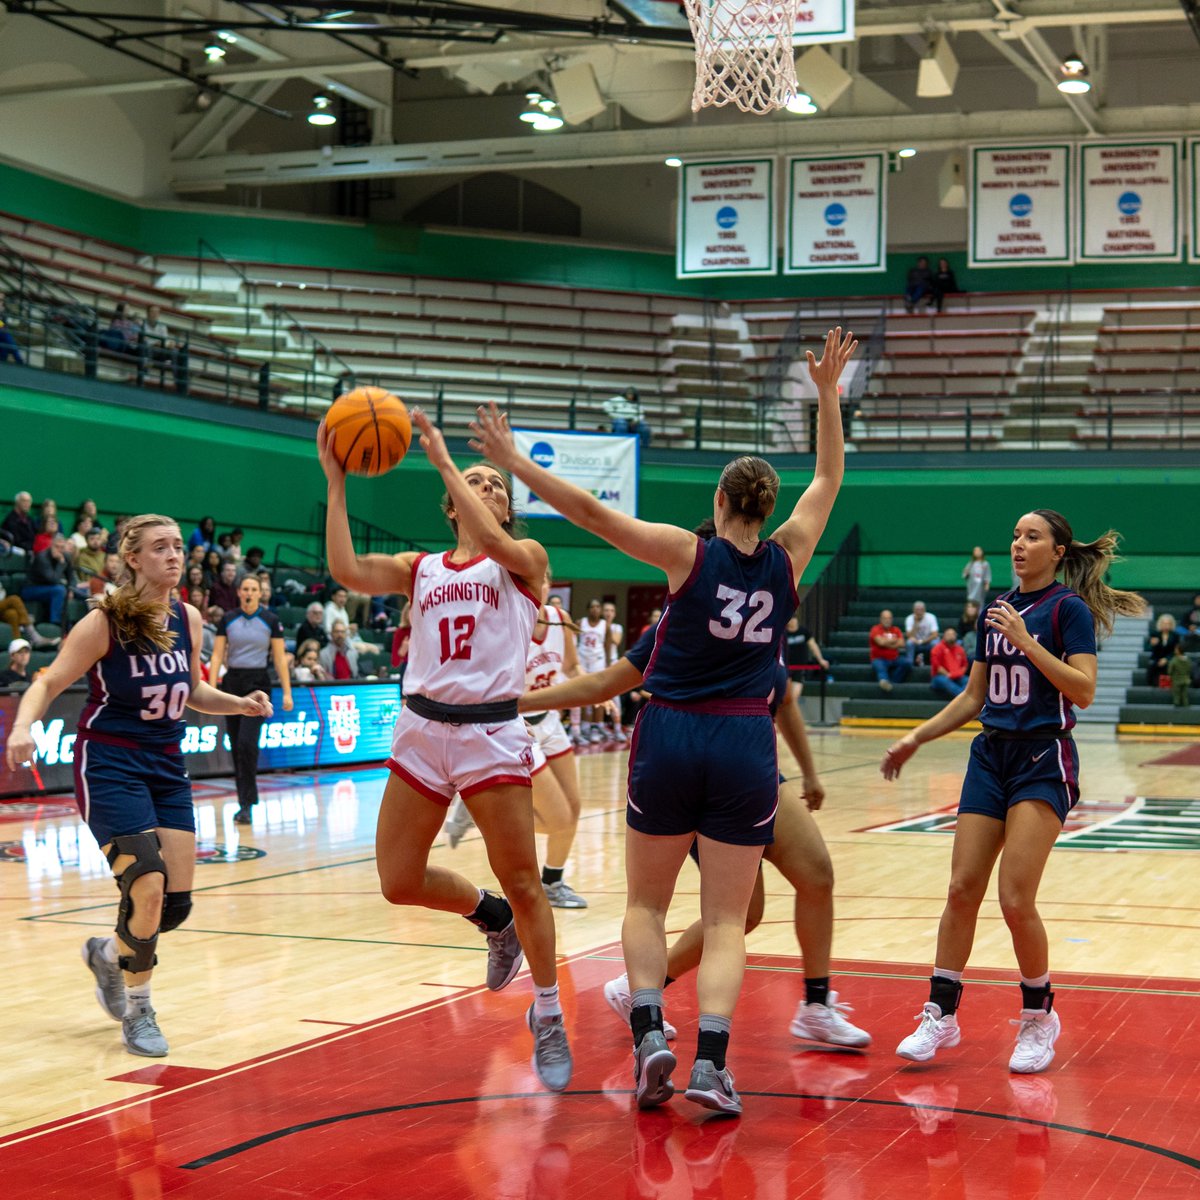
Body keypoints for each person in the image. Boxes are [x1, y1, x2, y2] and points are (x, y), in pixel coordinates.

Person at [472, 326, 858, 1116]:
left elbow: (588, 514)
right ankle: (712, 1064)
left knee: (645, 905)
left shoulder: (688, 553)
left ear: (718, 503)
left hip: (673, 734)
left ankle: (651, 1034)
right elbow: (829, 476)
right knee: (726, 920)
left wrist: (516, 464)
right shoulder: (788, 557)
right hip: (746, 741)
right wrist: (825, 394)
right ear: (769, 508)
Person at [318, 408, 573, 1094]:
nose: (486, 487)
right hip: (425, 731)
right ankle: (490, 921)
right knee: (399, 880)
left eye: (495, 483)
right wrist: (336, 482)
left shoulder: (525, 564)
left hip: (492, 732)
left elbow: (490, 534)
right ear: (451, 508)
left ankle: (548, 1013)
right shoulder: (421, 567)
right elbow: (345, 568)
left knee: (526, 881)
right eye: (476, 481)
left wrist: (444, 461)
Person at [521, 572, 872, 1056]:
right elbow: (605, 681)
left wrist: (810, 771)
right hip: (692, 770)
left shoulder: (759, 612)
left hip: (753, 765)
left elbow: (783, 698)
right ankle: (639, 987)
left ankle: (815, 1007)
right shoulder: (678, 622)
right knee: (742, 914)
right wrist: (518, 702)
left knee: (817, 873)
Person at [881, 509, 1145, 1074]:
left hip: (1042, 758)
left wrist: (1027, 642)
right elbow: (974, 696)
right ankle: (940, 1013)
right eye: (1016, 536)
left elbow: (1085, 690)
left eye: (1032, 537)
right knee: (960, 889)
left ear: (1057, 551)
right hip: (991, 755)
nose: (1019, 545)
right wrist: (915, 739)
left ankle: (1038, 1017)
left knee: (1015, 898)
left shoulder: (1066, 611)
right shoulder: (995, 611)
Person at [3, 514, 272, 1057]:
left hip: (166, 764)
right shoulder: (103, 622)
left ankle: (108, 953)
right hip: (109, 762)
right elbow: (49, 681)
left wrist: (238, 703)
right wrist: (22, 725)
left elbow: (192, 687)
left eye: (177, 546)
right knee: (145, 884)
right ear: (132, 558)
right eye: (159, 548)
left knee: (173, 906)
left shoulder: (189, 616)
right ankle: (139, 1009)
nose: (174, 555)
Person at [207, 574, 293, 825]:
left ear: (260, 593)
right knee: (236, 745)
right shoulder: (228, 619)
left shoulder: (270, 620)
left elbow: (279, 658)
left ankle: (248, 801)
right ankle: (243, 802)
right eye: (245, 588)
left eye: (253, 589)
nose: (249, 592)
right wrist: (212, 688)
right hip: (233, 682)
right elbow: (216, 656)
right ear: (239, 592)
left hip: (259, 684)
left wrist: (286, 691)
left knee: (247, 742)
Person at [572, 598, 611, 745]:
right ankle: (583, 725)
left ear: (600, 610)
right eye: (592, 607)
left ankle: (596, 726)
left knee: (598, 693)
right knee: (582, 692)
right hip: (582, 659)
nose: (595, 609)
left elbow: (608, 646)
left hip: (598, 660)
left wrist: (607, 664)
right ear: (588, 609)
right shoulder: (580, 622)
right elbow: (571, 640)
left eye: (597, 607)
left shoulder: (604, 625)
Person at [23, 533, 73, 627]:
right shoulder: (42, 557)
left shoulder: (66, 556)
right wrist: (61, 564)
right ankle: (56, 624)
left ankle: (70, 625)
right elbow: (52, 579)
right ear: (51, 545)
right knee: (59, 590)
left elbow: (71, 577)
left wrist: (71, 589)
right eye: (56, 547)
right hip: (31, 589)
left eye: (62, 547)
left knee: (77, 592)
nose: (59, 550)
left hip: (50, 588)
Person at [785, 615, 829, 695]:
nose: (792, 621)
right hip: (786, 667)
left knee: (794, 695)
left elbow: (813, 646)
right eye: (790, 619)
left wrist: (820, 659)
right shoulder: (783, 633)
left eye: (794, 618)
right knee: (786, 697)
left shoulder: (804, 632)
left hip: (800, 667)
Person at [869, 609, 910, 691]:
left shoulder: (896, 630)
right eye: (885, 618)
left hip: (894, 658)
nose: (887, 620)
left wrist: (886, 642)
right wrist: (894, 641)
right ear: (881, 619)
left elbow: (902, 644)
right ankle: (884, 681)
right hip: (879, 658)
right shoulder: (875, 629)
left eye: (889, 618)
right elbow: (880, 642)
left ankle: (893, 683)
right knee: (880, 667)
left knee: (907, 663)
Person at [929, 627, 969, 698]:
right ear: (943, 636)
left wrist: (957, 674)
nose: (950, 636)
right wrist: (948, 674)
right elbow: (937, 667)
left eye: (952, 634)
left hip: (957, 676)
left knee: (969, 681)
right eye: (948, 634)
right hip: (940, 676)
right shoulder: (937, 648)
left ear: (956, 636)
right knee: (945, 681)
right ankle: (964, 699)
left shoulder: (960, 649)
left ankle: (964, 698)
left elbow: (964, 665)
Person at [1146, 614, 1181, 688]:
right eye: (1164, 623)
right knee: (1152, 665)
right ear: (1160, 624)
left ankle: (1170, 684)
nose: (1166, 626)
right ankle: (1152, 684)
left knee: (1170, 664)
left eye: (1168, 624)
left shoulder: (1175, 636)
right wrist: (1152, 644)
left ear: (1171, 625)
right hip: (1157, 658)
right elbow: (1148, 649)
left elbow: (1176, 651)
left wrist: (1166, 659)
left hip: (1170, 658)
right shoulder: (1154, 634)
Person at [905, 601, 940, 668]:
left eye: (921, 610)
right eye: (917, 610)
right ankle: (909, 665)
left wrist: (922, 641)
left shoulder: (931, 617)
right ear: (913, 610)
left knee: (935, 643)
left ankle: (935, 665)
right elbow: (909, 636)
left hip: (928, 642)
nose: (919, 612)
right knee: (909, 643)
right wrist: (915, 623)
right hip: (916, 643)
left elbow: (935, 634)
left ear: (924, 610)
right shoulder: (909, 618)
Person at [2, 491, 36, 557]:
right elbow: (17, 542)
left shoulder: (30, 520)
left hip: (30, 551)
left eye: (29, 501)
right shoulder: (10, 520)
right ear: (17, 503)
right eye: (24, 501)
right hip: (16, 555)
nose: (27, 504)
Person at [1167, 641, 1192, 707]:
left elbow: (1170, 671)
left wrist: (1171, 675)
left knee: (1176, 694)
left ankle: (1177, 704)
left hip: (1176, 680)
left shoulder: (1174, 660)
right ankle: (1186, 705)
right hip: (1186, 680)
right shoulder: (1188, 660)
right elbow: (1190, 669)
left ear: (1178, 650)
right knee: (1185, 695)